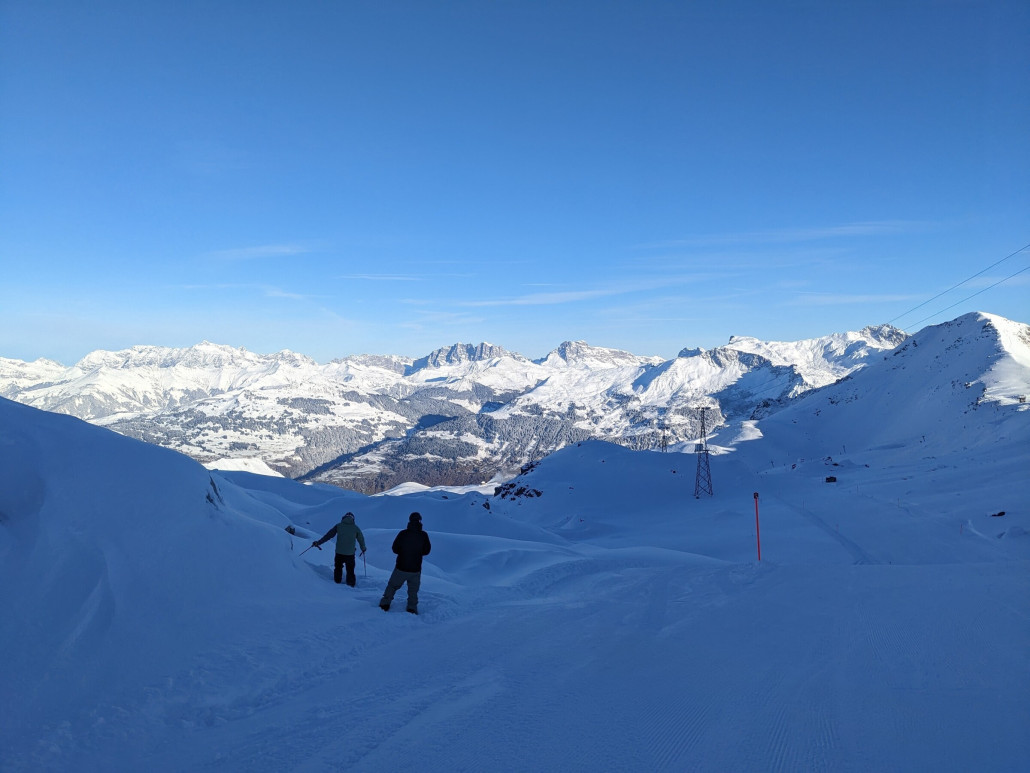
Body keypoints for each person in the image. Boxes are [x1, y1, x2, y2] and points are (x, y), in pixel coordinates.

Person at [379, 512, 432, 614]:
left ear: (410, 521)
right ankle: (412, 608)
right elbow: (426, 551)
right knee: (413, 590)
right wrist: (417, 552)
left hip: (401, 567)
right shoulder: (423, 535)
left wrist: (403, 552)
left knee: (392, 586)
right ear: (420, 521)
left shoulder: (403, 534)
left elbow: (395, 549)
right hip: (415, 568)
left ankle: (385, 604)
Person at [312, 512, 366, 587]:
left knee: (338, 567)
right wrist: (363, 548)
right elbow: (361, 539)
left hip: (339, 552)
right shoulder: (355, 528)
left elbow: (328, 536)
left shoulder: (338, 526)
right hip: (350, 553)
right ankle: (351, 584)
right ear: (353, 519)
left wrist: (319, 542)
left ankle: (337, 583)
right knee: (350, 569)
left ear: (343, 518)